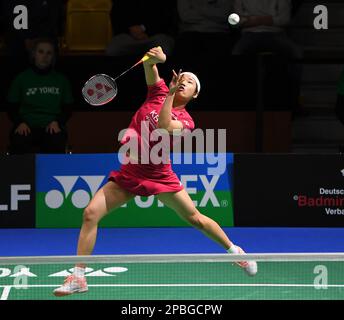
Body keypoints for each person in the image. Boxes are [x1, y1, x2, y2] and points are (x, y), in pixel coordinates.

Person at [53, 46, 257, 297]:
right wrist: (156, 58)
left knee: (195, 218)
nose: (185, 82)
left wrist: (169, 94)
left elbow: (163, 124)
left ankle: (236, 252)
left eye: (191, 82)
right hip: (130, 172)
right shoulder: (158, 91)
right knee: (90, 214)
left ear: (195, 95)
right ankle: (79, 278)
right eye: (183, 78)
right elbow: (150, 67)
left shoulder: (187, 121)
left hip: (158, 175)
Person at [7, 38, 73, 154]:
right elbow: (12, 108)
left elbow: (68, 108)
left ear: (53, 57)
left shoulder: (62, 80)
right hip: (26, 126)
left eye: (49, 53)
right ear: (34, 55)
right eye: (41, 52)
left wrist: (57, 122)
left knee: (57, 141)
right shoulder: (21, 79)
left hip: (52, 126)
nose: (45, 56)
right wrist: (19, 122)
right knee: (19, 141)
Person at [106, 0, 176, 57]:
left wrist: (144, 29)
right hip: (128, 36)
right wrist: (132, 29)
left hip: (155, 35)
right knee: (113, 49)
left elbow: (166, 18)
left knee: (165, 48)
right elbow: (117, 16)